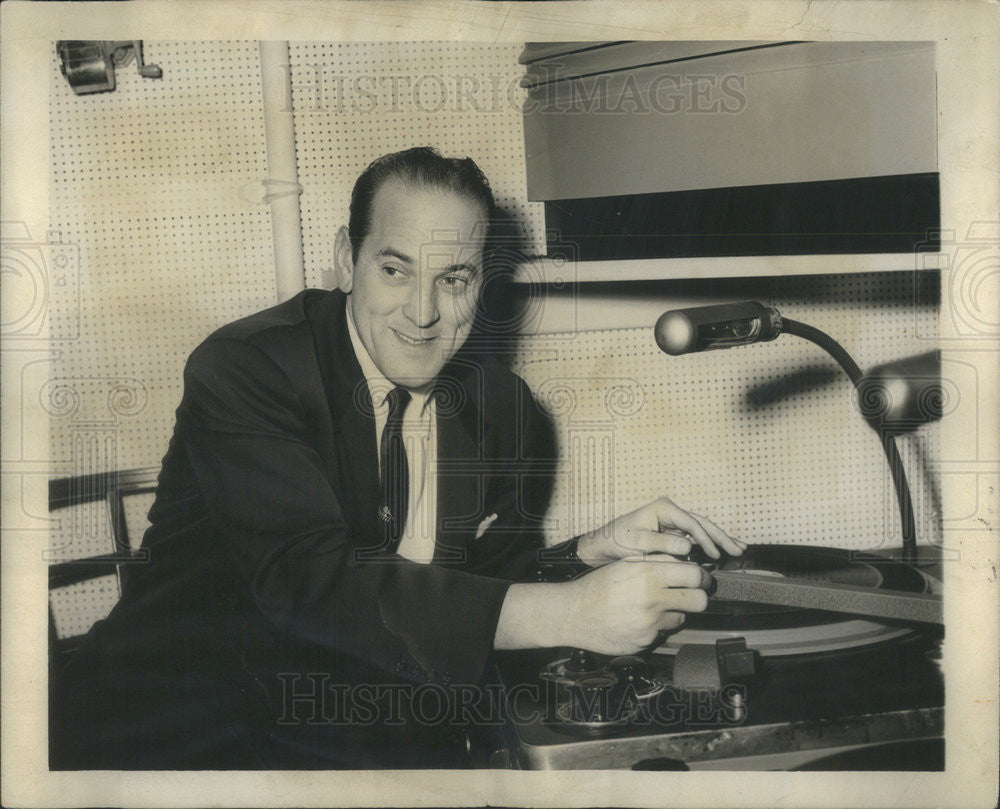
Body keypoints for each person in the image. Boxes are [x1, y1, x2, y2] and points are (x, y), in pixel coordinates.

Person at [52, 147, 744, 770]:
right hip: (175, 742)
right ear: (346, 260)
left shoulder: (506, 411)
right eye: (395, 269)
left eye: (453, 278)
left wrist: (583, 558)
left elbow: (472, 591)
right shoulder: (246, 370)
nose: (422, 311)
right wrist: (567, 611)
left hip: (365, 744)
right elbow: (310, 580)